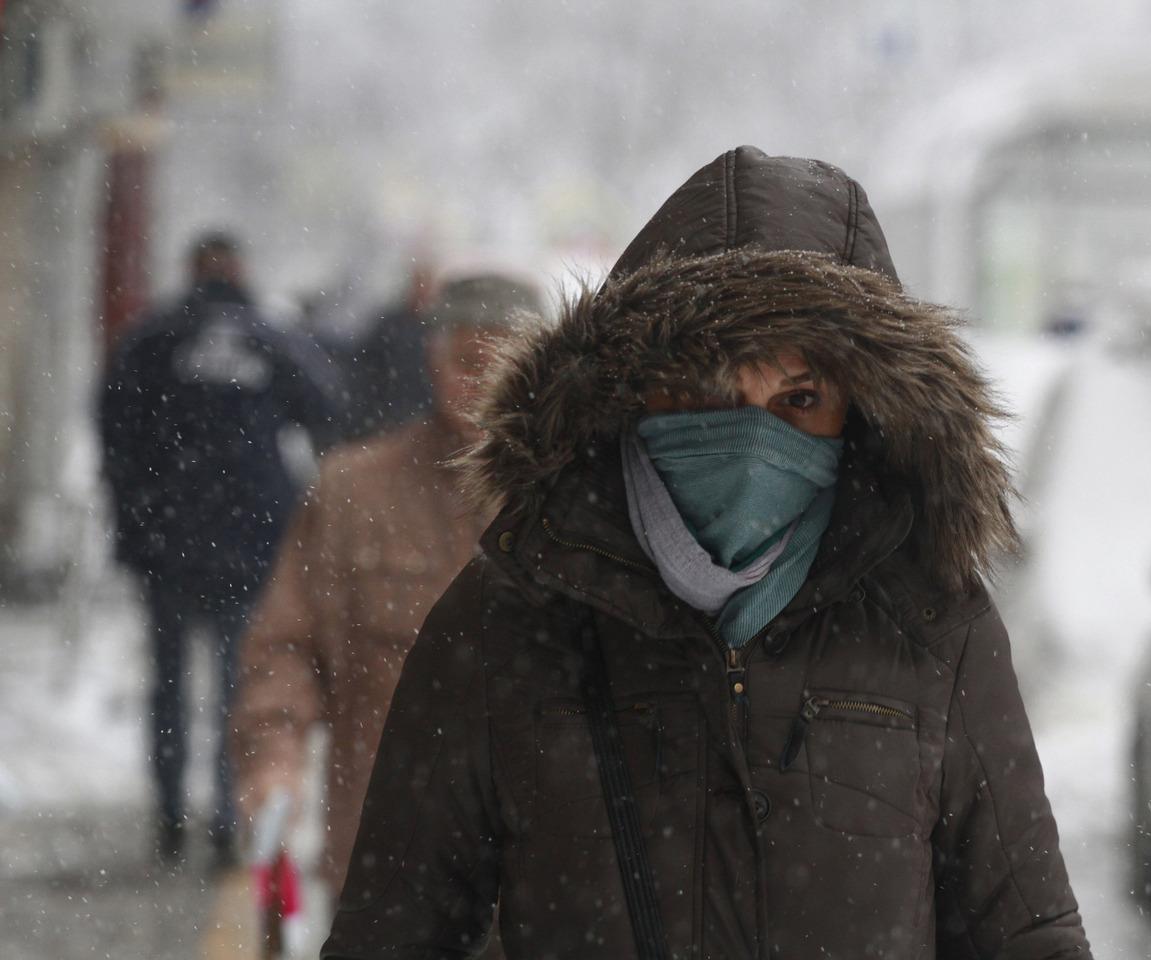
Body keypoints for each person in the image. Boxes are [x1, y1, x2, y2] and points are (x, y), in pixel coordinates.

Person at [323, 147, 1091, 959]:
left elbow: (1026, 932)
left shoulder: (931, 621)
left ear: (860, 411)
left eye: (798, 398)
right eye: (708, 392)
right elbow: (393, 929)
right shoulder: (513, 612)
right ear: (633, 395)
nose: (753, 443)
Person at [230, 267, 545, 902]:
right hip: (388, 865)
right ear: (430, 360)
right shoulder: (353, 491)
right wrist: (274, 761)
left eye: (500, 357)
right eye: (463, 356)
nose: (478, 375)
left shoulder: (587, 499)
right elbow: (285, 647)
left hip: (547, 880)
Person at [98, 232, 338, 867]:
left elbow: (113, 433)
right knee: (240, 684)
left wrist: (135, 519)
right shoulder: (271, 338)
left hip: (168, 540)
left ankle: (171, 815)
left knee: (170, 682)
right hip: (248, 542)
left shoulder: (152, 339)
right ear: (240, 269)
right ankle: (231, 819)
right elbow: (327, 408)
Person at [341, 262, 436, 440]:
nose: (423, 291)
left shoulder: (436, 328)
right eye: (419, 284)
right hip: (388, 410)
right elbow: (366, 366)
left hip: (419, 411)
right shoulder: (390, 324)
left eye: (426, 286)